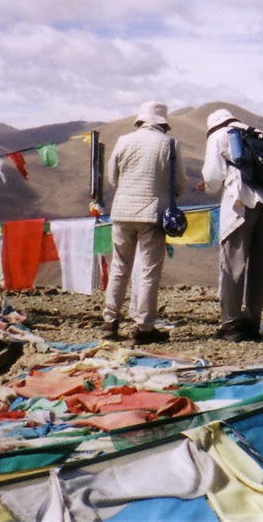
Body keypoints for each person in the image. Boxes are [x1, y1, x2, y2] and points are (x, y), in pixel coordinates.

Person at [201, 108, 263, 342]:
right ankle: (252, 320)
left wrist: (209, 187)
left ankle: (231, 322)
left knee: (233, 264)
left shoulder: (219, 136)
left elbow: (212, 177)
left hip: (240, 202)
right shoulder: (257, 133)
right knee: (260, 266)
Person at [102, 101, 185, 345]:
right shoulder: (170, 144)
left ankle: (110, 321)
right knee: (149, 271)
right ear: (163, 124)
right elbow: (179, 183)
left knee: (119, 267)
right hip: (152, 214)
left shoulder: (123, 141)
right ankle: (144, 327)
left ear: (140, 120)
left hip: (121, 212)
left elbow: (112, 177)